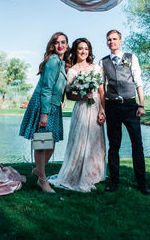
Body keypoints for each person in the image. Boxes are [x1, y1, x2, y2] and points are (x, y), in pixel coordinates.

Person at [48, 38, 106, 192]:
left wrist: (102, 110)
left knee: (94, 141)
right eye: (80, 48)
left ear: (89, 51)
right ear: (75, 51)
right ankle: (76, 173)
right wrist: (82, 96)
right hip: (81, 108)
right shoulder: (72, 70)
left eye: (86, 48)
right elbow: (69, 95)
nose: (83, 51)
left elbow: (101, 91)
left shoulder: (96, 68)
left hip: (96, 108)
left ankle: (94, 174)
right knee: (80, 141)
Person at [100, 29, 150, 195]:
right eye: (109, 39)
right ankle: (114, 181)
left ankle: (142, 183)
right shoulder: (103, 62)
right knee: (114, 145)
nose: (112, 42)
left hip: (130, 105)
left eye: (114, 39)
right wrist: (102, 108)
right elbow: (101, 88)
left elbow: (138, 82)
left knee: (137, 144)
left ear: (120, 41)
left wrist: (141, 105)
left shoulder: (131, 57)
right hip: (112, 106)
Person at [19, 32, 70, 193]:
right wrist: (44, 113)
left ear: (67, 45)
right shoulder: (53, 61)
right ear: (53, 46)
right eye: (57, 42)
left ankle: (38, 170)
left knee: (51, 143)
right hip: (44, 105)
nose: (60, 45)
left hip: (54, 106)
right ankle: (42, 180)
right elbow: (47, 88)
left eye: (63, 42)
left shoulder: (62, 62)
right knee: (43, 143)